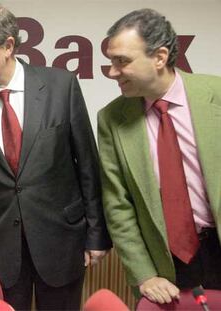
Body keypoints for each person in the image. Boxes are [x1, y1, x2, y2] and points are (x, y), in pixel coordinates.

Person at [0, 3, 111, 310]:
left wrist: (97, 235)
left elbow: (87, 165)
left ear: (7, 46)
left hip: (62, 243)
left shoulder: (61, 87)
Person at [98, 8, 221, 305]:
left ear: (159, 57)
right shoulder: (112, 118)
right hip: (166, 264)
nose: (112, 72)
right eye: (110, 62)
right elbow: (118, 207)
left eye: (122, 62)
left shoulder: (216, 93)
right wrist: (144, 275)